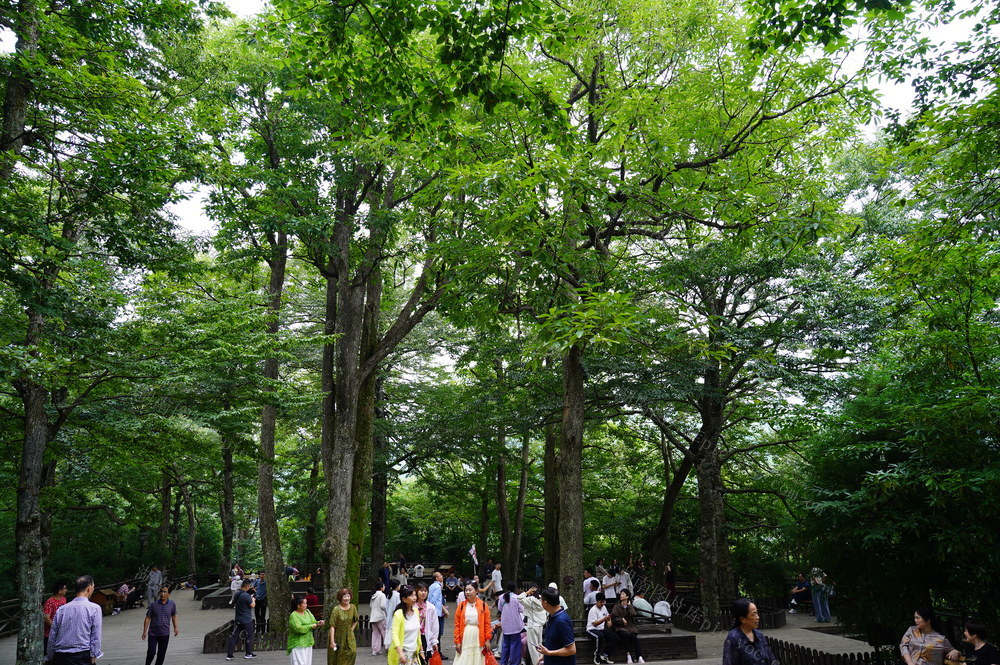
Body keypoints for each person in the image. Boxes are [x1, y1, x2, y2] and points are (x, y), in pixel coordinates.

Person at [47, 574, 103, 665]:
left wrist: (50, 656)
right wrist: (94, 656)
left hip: (60, 656)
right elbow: (96, 636)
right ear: (89, 588)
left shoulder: (61, 609)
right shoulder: (95, 608)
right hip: (82, 655)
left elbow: (52, 635)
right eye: (93, 587)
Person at [722, 599, 776, 665]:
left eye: (757, 613)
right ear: (743, 619)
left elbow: (771, 659)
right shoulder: (733, 639)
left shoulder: (759, 635)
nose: (758, 617)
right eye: (753, 614)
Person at [454, 581, 492, 665]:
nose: (468, 592)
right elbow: (457, 625)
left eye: (470, 590)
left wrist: (487, 639)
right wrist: (457, 642)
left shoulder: (483, 605)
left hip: (478, 635)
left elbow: (487, 624)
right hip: (465, 635)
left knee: (478, 658)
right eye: (466, 590)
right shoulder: (461, 606)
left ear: (476, 591)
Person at [538, 587, 576, 665]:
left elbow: (571, 650)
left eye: (541, 600)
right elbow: (554, 643)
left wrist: (549, 653)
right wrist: (544, 655)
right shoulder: (552, 617)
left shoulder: (562, 621)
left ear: (545, 603)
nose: (540, 602)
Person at [142, 585, 179, 665]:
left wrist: (175, 627)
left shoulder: (172, 604)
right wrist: (144, 631)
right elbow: (148, 618)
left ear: (168, 594)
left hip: (165, 633)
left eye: (164, 592)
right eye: (161, 592)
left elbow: (174, 615)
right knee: (151, 652)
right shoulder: (153, 605)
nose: (162, 594)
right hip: (153, 633)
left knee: (161, 655)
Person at [225, 579, 257, 660]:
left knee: (234, 636)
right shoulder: (246, 595)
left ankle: (229, 655)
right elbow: (252, 605)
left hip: (238, 619)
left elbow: (240, 602)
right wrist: (253, 599)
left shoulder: (236, 593)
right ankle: (248, 653)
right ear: (247, 587)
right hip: (246, 620)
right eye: (249, 587)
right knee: (249, 636)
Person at [288, 595, 325, 665]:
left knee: (307, 663)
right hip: (298, 644)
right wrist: (311, 626)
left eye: (306, 603)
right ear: (298, 606)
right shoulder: (293, 615)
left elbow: (313, 622)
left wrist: (318, 623)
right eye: (304, 603)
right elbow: (298, 629)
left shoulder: (307, 612)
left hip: (308, 642)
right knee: (299, 663)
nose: (306, 605)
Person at [389, 586, 422, 665]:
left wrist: (421, 650)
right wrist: (400, 653)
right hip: (403, 653)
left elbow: (418, 633)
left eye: (415, 595)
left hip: (414, 653)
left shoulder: (416, 611)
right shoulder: (398, 614)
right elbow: (395, 635)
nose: (414, 598)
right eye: (411, 596)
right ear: (404, 599)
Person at [610, 590, 643, 665]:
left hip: (631, 627)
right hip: (621, 627)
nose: (621, 595)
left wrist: (629, 606)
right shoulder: (616, 606)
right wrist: (621, 620)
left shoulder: (630, 606)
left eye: (623, 594)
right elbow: (613, 618)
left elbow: (634, 614)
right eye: (621, 594)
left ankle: (639, 656)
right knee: (625, 636)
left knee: (634, 638)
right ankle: (628, 655)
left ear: (627, 596)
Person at [328, 588, 359, 665]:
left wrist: (351, 630)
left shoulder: (353, 607)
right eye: (345, 597)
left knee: (352, 652)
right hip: (338, 635)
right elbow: (332, 626)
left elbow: (356, 620)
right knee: (339, 656)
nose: (347, 598)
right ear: (340, 598)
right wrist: (332, 641)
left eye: (348, 596)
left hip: (349, 635)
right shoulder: (336, 609)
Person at [519, 583, 546, 665]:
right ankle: (541, 662)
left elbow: (519, 598)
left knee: (533, 647)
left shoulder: (529, 600)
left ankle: (536, 663)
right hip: (540, 626)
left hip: (532, 626)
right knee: (539, 644)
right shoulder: (542, 599)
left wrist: (527, 592)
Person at [587, 593, 616, 665]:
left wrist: (609, 620)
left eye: (604, 602)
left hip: (601, 630)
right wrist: (604, 619)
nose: (603, 604)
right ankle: (597, 655)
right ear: (597, 601)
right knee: (599, 636)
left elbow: (607, 615)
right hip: (591, 630)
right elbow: (594, 624)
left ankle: (605, 655)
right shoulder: (593, 610)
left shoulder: (604, 608)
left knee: (614, 637)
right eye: (601, 602)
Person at [498, 583, 523, 665]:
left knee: (505, 645)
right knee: (514, 646)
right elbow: (522, 609)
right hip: (515, 625)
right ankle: (514, 663)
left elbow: (500, 608)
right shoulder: (517, 598)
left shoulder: (501, 597)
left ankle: (503, 662)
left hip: (505, 625)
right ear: (515, 589)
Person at [416, 583, 442, 664]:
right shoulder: (412, 606)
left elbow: (435, 625)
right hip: (414, 637)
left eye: (425, 591)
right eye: (421, 590)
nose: (423, 593)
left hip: (425, 636)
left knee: (424, 660)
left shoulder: (431, 607)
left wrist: (434, 641)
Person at [429, 572, 451, 659]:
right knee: (437, 633)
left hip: (435, 612)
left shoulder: (432, 586)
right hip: (437, 613)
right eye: (440, 575)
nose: (442, 576)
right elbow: (434, 600)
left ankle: (435, 652)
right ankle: (437, 653)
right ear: (437, 578)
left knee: (435, 633)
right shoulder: (437, 587)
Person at [44, 581, 68, 655]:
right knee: (49, 654)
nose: (66, 590)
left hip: (61, 633)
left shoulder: (64, 599)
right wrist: (55, 628)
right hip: (50, 634)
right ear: (59, 591)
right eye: (65, 588)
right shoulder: (50, 602)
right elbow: (46, 618)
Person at [370, 581, 388, 657]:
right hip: (380, 616)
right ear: (381, 588)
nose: (384, 587)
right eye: (383, 586)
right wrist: (387, 612)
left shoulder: (373, 595)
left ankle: (375, 650)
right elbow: (383, 606)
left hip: (373, 616)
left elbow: (371, 606)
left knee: (375, 633)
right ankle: (387, 648)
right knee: (385, 632)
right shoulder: (382, 595)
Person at [384, 580, 402, 652]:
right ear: (397, 586)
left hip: (389, 615)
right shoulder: (398, 595)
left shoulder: (389, 595)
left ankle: (388, 645)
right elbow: (398, 606)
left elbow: (386, 606)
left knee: (389, 629)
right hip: (395, 615)